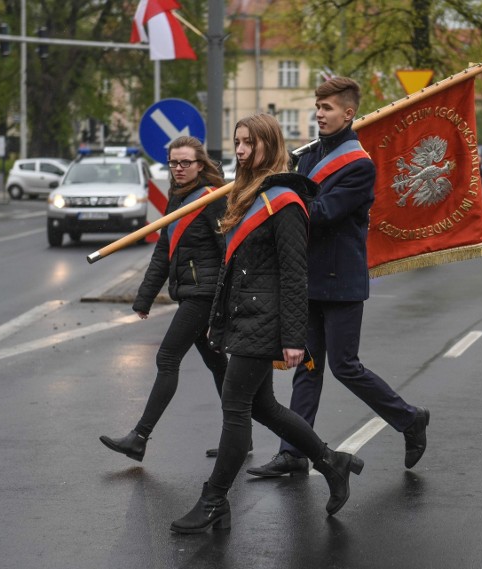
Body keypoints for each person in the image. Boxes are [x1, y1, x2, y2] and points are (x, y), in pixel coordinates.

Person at [170, 113, 364, 534]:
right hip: (245, 318)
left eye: (248, 143)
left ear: (268, 145)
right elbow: (237, 266)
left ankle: (214, 499)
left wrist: (293, 336)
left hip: (266, 320)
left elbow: (295, 274)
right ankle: (333, 462)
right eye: (237, 142)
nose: (239, 151)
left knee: (235, 407)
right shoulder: (249, 194)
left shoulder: (286, 201)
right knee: (263, 407)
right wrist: (218, 321)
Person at [245, 77, 429, 480]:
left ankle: (410, 419)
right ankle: (293, 452)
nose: (319, 114)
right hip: (308, 278)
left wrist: (284, 189)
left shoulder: (360, 165)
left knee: (345, 367)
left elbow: (322, 212)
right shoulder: (310, 157)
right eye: (317, 107)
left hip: (342, 281)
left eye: (327, 108)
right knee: (307, 367)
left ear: (348, 113)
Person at [99, 136, 229, 462]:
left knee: (167, 359)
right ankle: (240, 437)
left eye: (186, 162)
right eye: (174, 162)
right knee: (218, 365)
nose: (179, 168)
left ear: (201, 165)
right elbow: (163, 251)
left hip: (204, 295)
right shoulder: (176, 197)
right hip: (190, 294)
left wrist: (221, 307)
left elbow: (228, 252)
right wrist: (144, 297)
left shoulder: (211, 198)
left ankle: (139, 437)